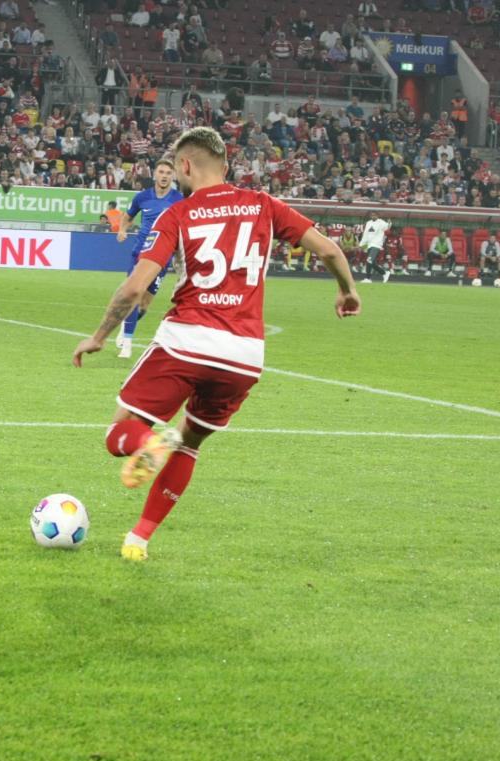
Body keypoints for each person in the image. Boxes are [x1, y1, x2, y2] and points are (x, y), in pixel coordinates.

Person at [72, 126, 360, 562]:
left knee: (118, 435)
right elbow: (330, 251)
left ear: (185, 165)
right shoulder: (264, 205)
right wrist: (347, 291)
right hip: (243, 356)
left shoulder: (178, 214)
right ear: (225, 165)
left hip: (187, 341)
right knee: (189, 444)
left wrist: (98, 337)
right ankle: (138, 540)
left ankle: (150, 443)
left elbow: (134, 288)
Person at [114, 159, 184, 358]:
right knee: (134, 294)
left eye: (168, 173)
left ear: (173, 176)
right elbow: (128, 216)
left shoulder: (179, 200)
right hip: (140, 253)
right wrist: (122, 230)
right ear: (155, 174)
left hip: (162, 257)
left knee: (144, 305)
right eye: (161, 172)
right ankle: (127, 344)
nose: (164, 176)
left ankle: (125, 325)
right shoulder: (142, 197)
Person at [359, 212, 391, 283]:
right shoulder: (368, 223)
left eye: (374, 215)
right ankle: (384, 273)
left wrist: (389, 223)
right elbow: (365, 234)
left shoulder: (381, 222)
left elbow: (387, 227)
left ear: (378, 216)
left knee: (369, 260)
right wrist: (361, 244)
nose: (373, 216)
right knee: (371, 262)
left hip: (376, 244)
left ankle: (368, 278)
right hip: (369, 244)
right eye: (371, 215)